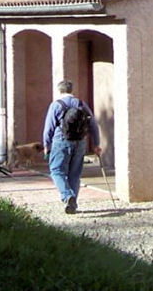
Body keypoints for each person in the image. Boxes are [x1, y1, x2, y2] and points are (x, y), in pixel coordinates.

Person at [42, 79, 101, 214]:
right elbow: (93, 125)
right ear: (71, 90)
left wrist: (46, 144)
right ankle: (73, 204)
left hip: (61, 141)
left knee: (57, 171)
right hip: (80, 142)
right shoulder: (81, 104)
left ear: (59, 90)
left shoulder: (56, 105)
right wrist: (97, 144)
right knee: (75, 174)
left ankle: (68, 196)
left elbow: (49, 127)